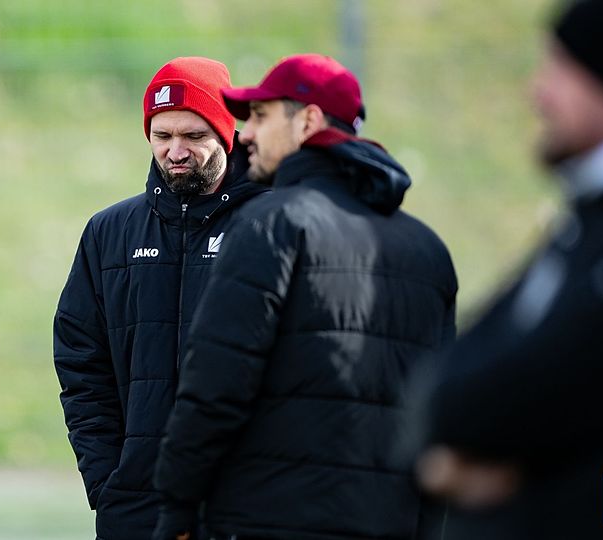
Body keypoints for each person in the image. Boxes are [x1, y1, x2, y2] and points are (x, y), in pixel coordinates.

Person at [153, 54, 458, 540]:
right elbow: (439, 416)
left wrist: (176, 507)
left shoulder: (270, 225)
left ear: (308, 122)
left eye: (260, 116)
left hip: (267, 519)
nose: (246, 134)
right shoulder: (428, 249)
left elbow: (216, 386)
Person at [406, 0, 603, 538]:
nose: (538, 92)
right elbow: (445, 395)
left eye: (561, 69)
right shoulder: (598, 212)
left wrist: (530, 490)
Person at [53, 57, 267, 540]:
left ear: (226, 133)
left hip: (244, 509)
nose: (175, 151)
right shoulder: (109, 232)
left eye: (194, 136)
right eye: (162, 135)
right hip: (136, 508)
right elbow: (81, 363)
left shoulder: (272, 223)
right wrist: (108, 479)